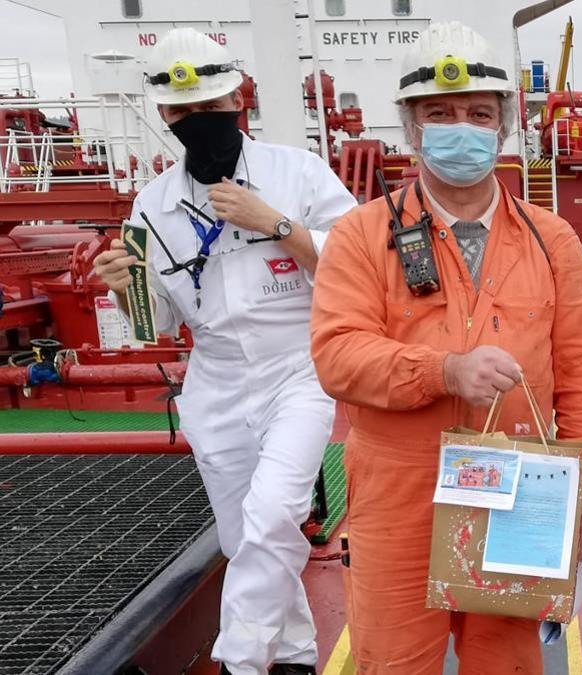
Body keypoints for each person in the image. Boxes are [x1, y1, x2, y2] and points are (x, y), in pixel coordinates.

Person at [307, 21, 582, 674]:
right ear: (412, 129)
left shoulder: (551, 239)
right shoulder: (361, 236)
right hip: (397, 503)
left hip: (519, 499)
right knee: (393, 661)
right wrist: (443, 371)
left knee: (508, 664)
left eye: (477, 112)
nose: (460, 126)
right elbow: (336, 353)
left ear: (502, 126)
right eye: (439, 113)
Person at [91, 28, 357, 675]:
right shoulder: (152, 206)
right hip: (215, 381)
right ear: (163, 114)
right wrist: (126, 290)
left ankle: (237, 658)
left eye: (210, 108)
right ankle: (294, 654)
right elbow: (157, 319)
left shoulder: (296, 172)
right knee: (247, 537)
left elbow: (361, 259)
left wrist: (277, 223)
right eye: (183, 114)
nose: (197, 122)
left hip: (297, 369)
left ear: (238, 98)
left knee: (273, 514)